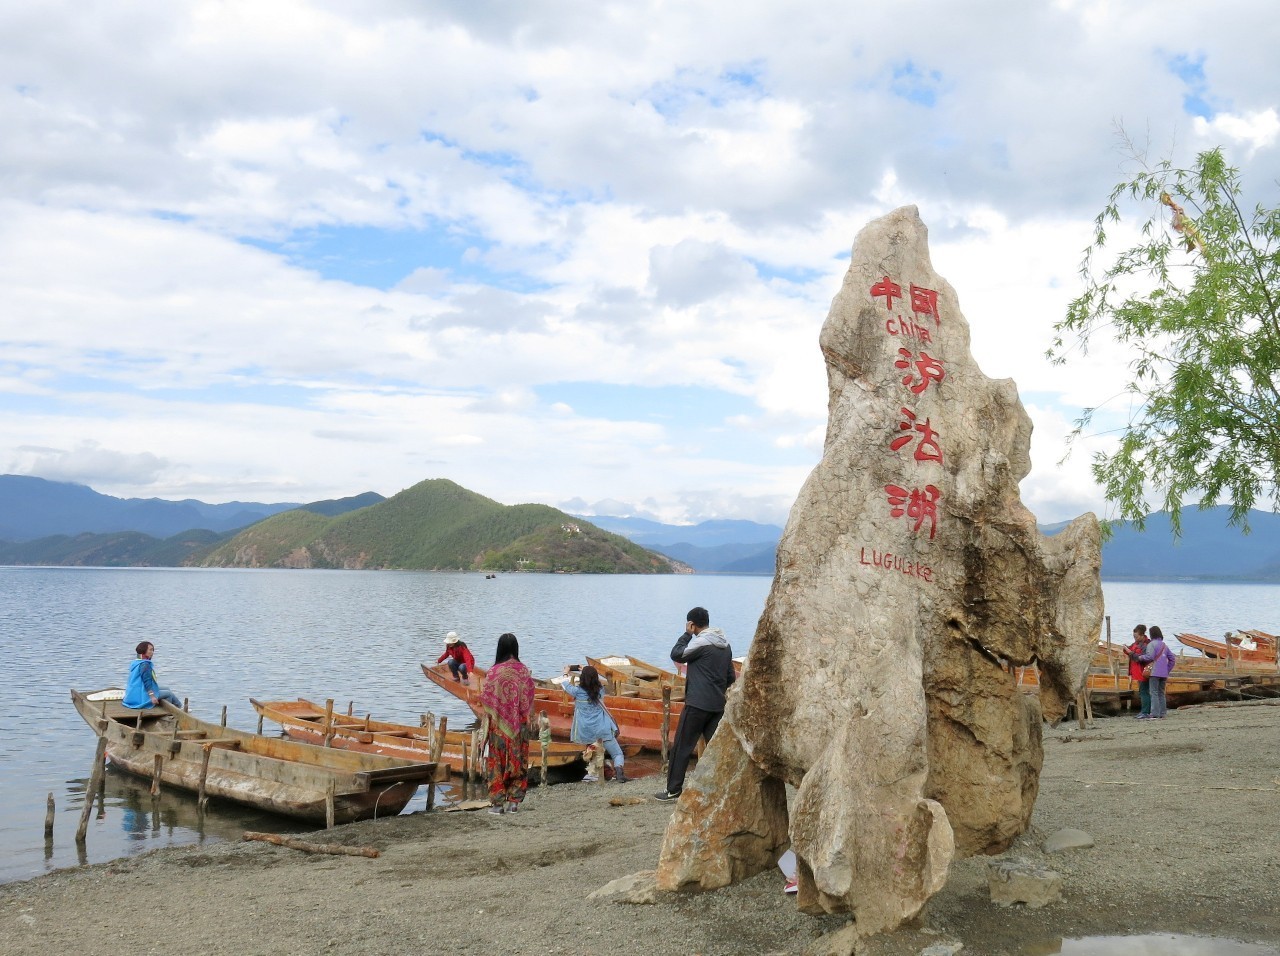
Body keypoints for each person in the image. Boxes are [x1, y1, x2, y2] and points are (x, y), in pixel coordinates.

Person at [655, 606, 736, 801]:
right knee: (716, 749)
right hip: (717, 706)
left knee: (681, 747)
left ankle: (673, 789)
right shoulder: (725, 645)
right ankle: (725, 788)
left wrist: (686, 634)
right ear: (707, 621)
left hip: (697, 705)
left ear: (692, 624)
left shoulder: (700, 643)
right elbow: (730, 677)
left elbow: (676, 654)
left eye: (689, 625)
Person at [479, 632, 536, 814]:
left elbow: (486, 701)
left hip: (498, 726)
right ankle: (514, 803)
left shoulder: (493, 672)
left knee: (496, 763)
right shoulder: (524, 670)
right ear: (516, 649)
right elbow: (529, 698)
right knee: (518, 762)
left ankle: (497, 805)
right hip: (520, 726)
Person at [562, 664, 626, 783]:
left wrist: (566, 672)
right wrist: (587, 670)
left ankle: (595, 774)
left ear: (582, 678)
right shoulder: (600, 690)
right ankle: (619, 773)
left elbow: (565, 685)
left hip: (586, 731)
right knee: (617, 754)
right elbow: (595, 682)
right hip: (603, 729)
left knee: (592, 753)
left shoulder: (577, 692)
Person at [121, 641, 181, 709]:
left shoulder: (136, 662)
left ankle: (178, 708)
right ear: (144, 651)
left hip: (132, 693)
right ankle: (173, 711)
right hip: (140, 697)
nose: (152, 652)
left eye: (153, 650)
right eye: (150, 650)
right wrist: (152, 696)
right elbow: (147, 682)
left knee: (167, 689)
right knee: (168, 694)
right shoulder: (145, 665)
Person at [1137, 624, 1177, 720]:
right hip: (1163, 673)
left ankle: (1154, 713)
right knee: (1161, 693)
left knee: (1153, 692)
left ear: (1151, 634)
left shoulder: (1151, 644)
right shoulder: (1164, 645)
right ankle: (1162, 713)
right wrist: (1167, 670)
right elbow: (1172, 659)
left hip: (1154, 672)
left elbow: (1149, 656)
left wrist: (1140, 657)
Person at [1123, 624, 1151, 717]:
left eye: (1136, 636)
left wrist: (1130, 652)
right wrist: (1126, 649)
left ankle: (1145, 711)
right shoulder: (1136, 644)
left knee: (1144, 692)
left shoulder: (1146, 645)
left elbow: (1142, 658)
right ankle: (1144, 711)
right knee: (1142, 691)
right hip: (1137, 672)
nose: (1135, 638)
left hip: (1144, 672)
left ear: (1142, 635)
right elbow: (1131, 651)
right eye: (1134, 636)